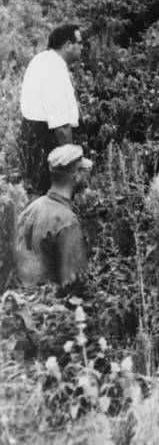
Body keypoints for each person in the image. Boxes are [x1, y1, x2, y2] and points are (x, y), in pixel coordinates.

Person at [14, 144, 92, 292]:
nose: (87, 174)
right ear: (76, 176)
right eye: (83, 170)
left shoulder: (31, 208)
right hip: (54, 307)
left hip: (26, 302)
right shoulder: (67, 222)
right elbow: (73, 283)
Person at [18, 24, 84, 195]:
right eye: (79, 43)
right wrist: (72, 162)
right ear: (68, 45)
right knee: (50, 194)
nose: (81, 47)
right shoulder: (53, 68)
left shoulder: (46, 60)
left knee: (37, 191)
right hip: (44, 139)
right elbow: (61, 125)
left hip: (33, 135)